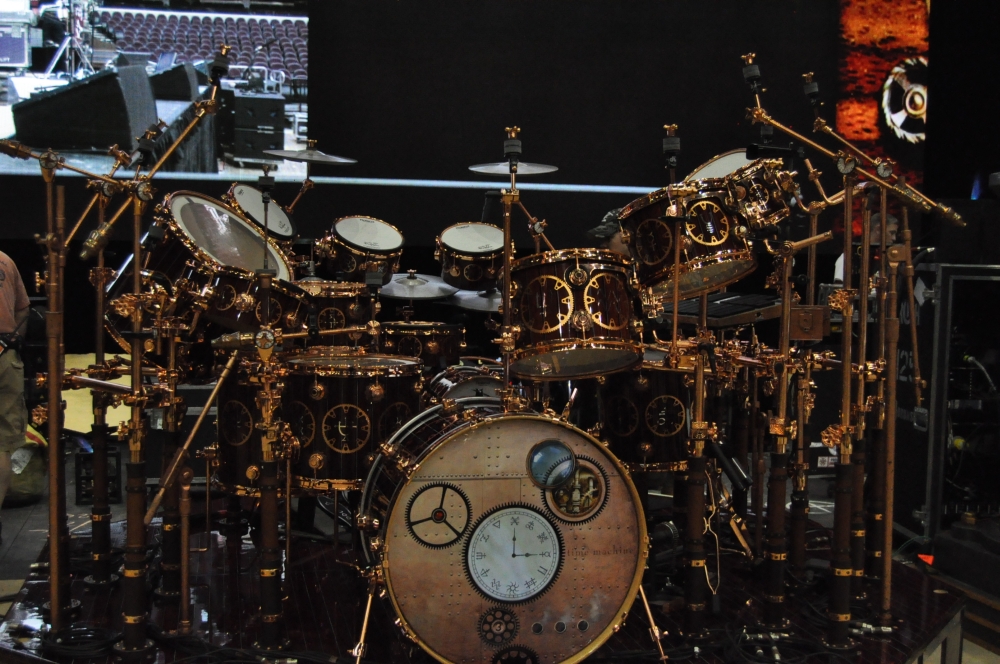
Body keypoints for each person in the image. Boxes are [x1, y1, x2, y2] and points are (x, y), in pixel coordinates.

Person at [0, 250, 31, 545]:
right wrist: (11, 340)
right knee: (2, 446)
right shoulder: (6, 260)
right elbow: (24, 309)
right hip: (5, 356)